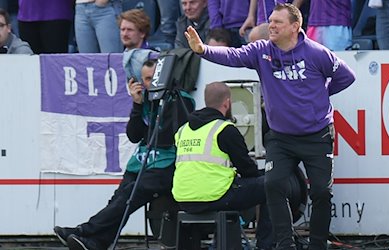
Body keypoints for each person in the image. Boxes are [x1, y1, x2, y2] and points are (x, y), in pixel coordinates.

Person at [184, 3, 356, 249]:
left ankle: (318, 245)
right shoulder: (261, 50)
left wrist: (321, 94)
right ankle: (285, 245)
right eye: (271, 20)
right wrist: (202, 49)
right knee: (273, 184)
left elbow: (347, 76)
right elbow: (232, 55)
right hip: (281, 138)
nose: (270, 25)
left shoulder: (317, 53)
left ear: (295, 27)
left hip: (316, 136)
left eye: (277, 22)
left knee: (321, 192)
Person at [53, 59, 195, 250]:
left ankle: (83, 231)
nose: (150, 83)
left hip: (166, 165)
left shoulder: (181, 99)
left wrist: (161, 101)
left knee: (127, 198)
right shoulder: (144, 100)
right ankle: (96, 243)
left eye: (154, 78)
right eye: (146, 79)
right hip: (141, 162)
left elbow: (168, 135)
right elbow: (134, 136)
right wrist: (137, 105)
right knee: (118, 201)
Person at [172, 81, 273, 249]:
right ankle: (266, 245)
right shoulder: (225, 128)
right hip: (215, 197)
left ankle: (220, 242)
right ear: (227, 103)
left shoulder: (183, 130)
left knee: (239, 186)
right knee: (271, 185)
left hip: (184, 199)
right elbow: (247, 170)